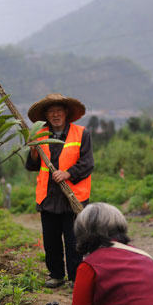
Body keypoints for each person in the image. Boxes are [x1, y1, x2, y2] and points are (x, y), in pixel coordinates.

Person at [25, 93, 94, 288]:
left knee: (74, 242)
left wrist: (68, 174)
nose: (55, 115)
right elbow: (31, 166)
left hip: (73, 197)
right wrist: (32, 152)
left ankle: (76, 278)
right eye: (51, 111)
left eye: (58, 111)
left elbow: (87, 163)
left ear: (66, 113)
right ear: (46, 115)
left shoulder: (81, 134)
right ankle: (56, 275)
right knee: (51, 240)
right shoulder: (39, 135)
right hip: (48, 197)